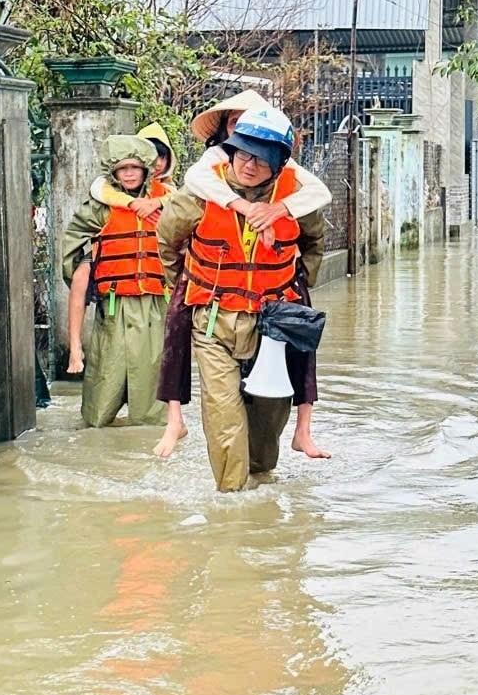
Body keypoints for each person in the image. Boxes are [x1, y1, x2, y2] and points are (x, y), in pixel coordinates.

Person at [154, 88, 331, 460]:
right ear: (229, 141)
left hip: (273, 320)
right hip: (214, 316)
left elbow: (315, 240)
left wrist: (297, 282)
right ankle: (230, 503)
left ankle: (269, 479)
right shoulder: (202, 186)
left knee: (266, 435)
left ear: (280, 162)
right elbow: (168, 239)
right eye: (244, 151)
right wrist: (188, 284)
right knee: (225, 424)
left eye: (262, 158)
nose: (250, 164)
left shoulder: (296, 191)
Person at [62, 135, 171, 428]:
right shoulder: (100, 205)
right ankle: (96, 426)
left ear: (147, 169)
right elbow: (74, 241)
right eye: (123, 169)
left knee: (152, 380)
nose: (130, 173)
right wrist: (88, 264)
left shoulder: (167, 200)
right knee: (104, 378)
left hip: (154, 302)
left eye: (136, 167)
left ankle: (151, 437)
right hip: (114, 302)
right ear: (114, 172)